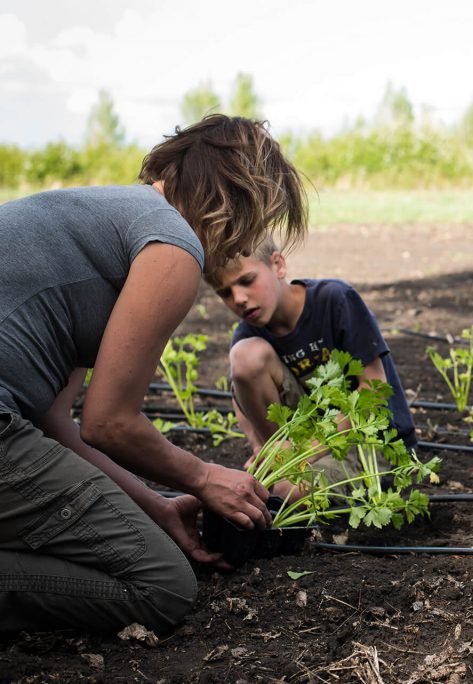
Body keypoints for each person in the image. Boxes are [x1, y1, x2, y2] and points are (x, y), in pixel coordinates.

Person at [0, 114, 307, 634]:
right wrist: (206, 477)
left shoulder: (100, 216)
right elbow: (109, 423)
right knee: (161, 585)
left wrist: (158, 505)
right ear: (238, 195)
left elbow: (57, 423)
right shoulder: (171, 244)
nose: (241, 242)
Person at [204, 239, 417, 497]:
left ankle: (287, 473)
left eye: (248, 280)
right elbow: (243, 401)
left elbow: (375, 390)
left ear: (278, 265)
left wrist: (305, 451)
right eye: (225, 293)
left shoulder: (334, 300)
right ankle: (281, 461)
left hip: (369, 443)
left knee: (285, 491)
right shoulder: (247, 332)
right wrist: (262, 449)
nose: (238, 298)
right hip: (304, 445)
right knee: (246, 357)